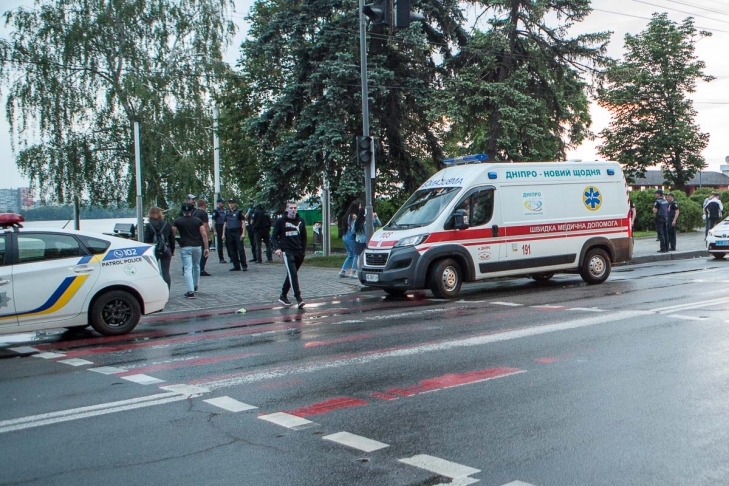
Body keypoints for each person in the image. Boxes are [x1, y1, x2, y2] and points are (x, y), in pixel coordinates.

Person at [272, 201, 307, 308]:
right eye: (291, 208)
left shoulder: (301, 221)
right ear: (286, 209)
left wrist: (303, 251)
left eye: (295, 208)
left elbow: (304, 237)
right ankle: (298, 298)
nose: (293, 210)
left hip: (299, 252)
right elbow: (273, 237)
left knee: (291, 274)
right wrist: (277, 248)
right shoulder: (281, 221)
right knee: (293, 274)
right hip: (287, 251)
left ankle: (283, 295)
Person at [172, 202, 209, 298]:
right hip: (197, 246)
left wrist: (172, 247)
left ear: (182, 211)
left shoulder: (177, 221)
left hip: (185, 246)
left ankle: (190, 290)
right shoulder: (197, 221)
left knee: (188, 268)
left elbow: (172, 234)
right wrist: (206, 247)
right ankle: (196, 285)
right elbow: (204, 234)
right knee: (196, 265)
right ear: (192, 211)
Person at [144, 207, 175, 289]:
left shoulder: (149, 225)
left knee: (153, 272)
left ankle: (154, 290)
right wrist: (172, 250)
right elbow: (172, 239)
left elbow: (146, 240)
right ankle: (167, 290)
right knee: (166, 272)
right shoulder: (167, 224)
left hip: (153, 250)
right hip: (166, 249)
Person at [223, 198, 248, 271]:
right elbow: (225, 224)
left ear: (235, 204)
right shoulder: (227, 212)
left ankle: (244, 265)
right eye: (230, 203)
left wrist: (243, 233)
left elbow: (243, 222)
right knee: (232, 250)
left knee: (240, 249)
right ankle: (236, 265)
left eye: (232, 203)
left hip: (237, 231)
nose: (231, 205)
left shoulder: (239, 212)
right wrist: (223, 234)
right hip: (229, 232)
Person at [339, 201, 360, 277]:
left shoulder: (347, 216)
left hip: (345, 236)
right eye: (359, 206)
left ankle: (343, 271)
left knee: (350, 255)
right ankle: (353, 272)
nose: (360, 208)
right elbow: (355, 225)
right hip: (350, 236)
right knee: (356, 254)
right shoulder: (353, 216)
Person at [194, 198, 212, 276]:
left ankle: (196, 268)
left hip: (195, 234)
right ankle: (201, 269)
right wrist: (208, 237)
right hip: (202, 234)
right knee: (204, 251)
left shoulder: (194, 212)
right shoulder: (203, 213)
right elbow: (206, 226)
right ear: (204, 205)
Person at [211, 198, 228, 263]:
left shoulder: (225, 210)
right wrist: (214, 230)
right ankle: (221, 258)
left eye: (223, 202)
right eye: (222, 202)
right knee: (220, 243)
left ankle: (231, 256)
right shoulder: (216, 211)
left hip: (226, 226)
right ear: (218, 203)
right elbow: (213, 221)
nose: (223, 203)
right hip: (219, 226)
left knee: (229, 242)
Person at [353, 207, 367, 278]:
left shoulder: (356, 221)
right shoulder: (365, 221)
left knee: (359, 256)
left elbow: (353, 231)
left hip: (358, 240)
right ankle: (363, 271)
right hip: (364, 240)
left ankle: (358, 272)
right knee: (364, 256)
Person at [246, 199, 258, 263]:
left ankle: (257, 257)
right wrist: (248, 212)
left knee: (256, 243)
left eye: (252, 202)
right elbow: (245, 217)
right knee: (252, 243)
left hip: (255, 227)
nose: (251, 203)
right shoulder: (249, 210)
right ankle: (254, 256)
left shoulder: (256, 210)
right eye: (250, 202)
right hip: (250, 228)